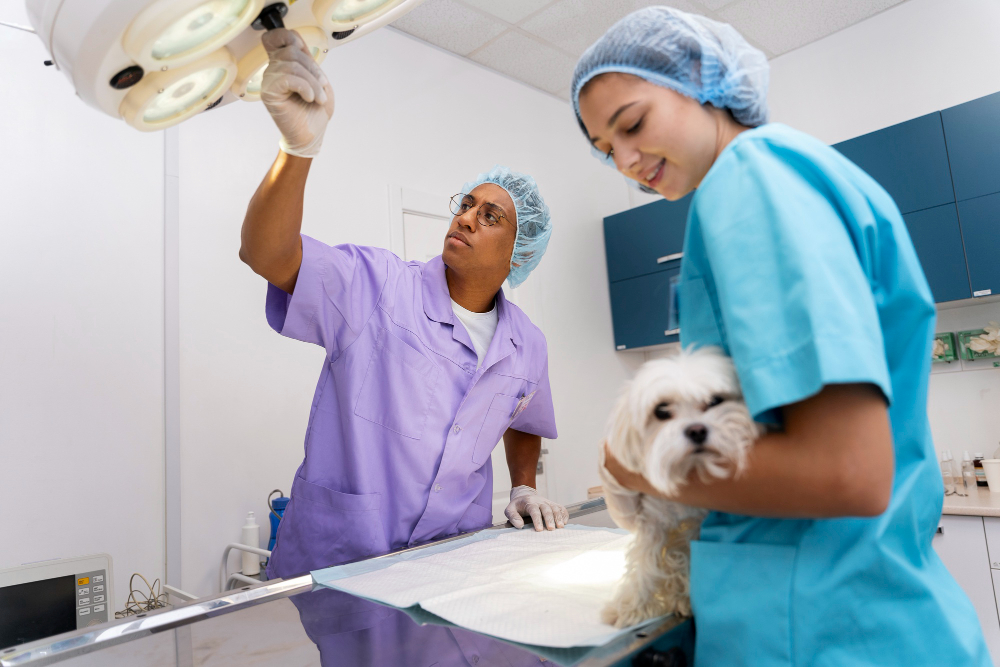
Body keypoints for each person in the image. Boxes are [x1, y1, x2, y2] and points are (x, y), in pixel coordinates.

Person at [572, 7, 990, 666]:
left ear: (703, 78)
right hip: (861, 613)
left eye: (632, 123)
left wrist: (637, 468)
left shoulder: (750, 180)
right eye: (605, 150)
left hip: (820, 631)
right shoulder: (795, 172)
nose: (624, 159)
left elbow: (846, 472)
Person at [241, 28, 567, 580]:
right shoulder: (375, 285)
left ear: (520, 254)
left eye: (491, 216)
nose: (466, 217)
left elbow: (525, 418)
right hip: (343, 562)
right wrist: (297, 150)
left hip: (452, 563)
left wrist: (526, 485)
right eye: (466, 204)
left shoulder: (525, 344)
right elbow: (264, 252)